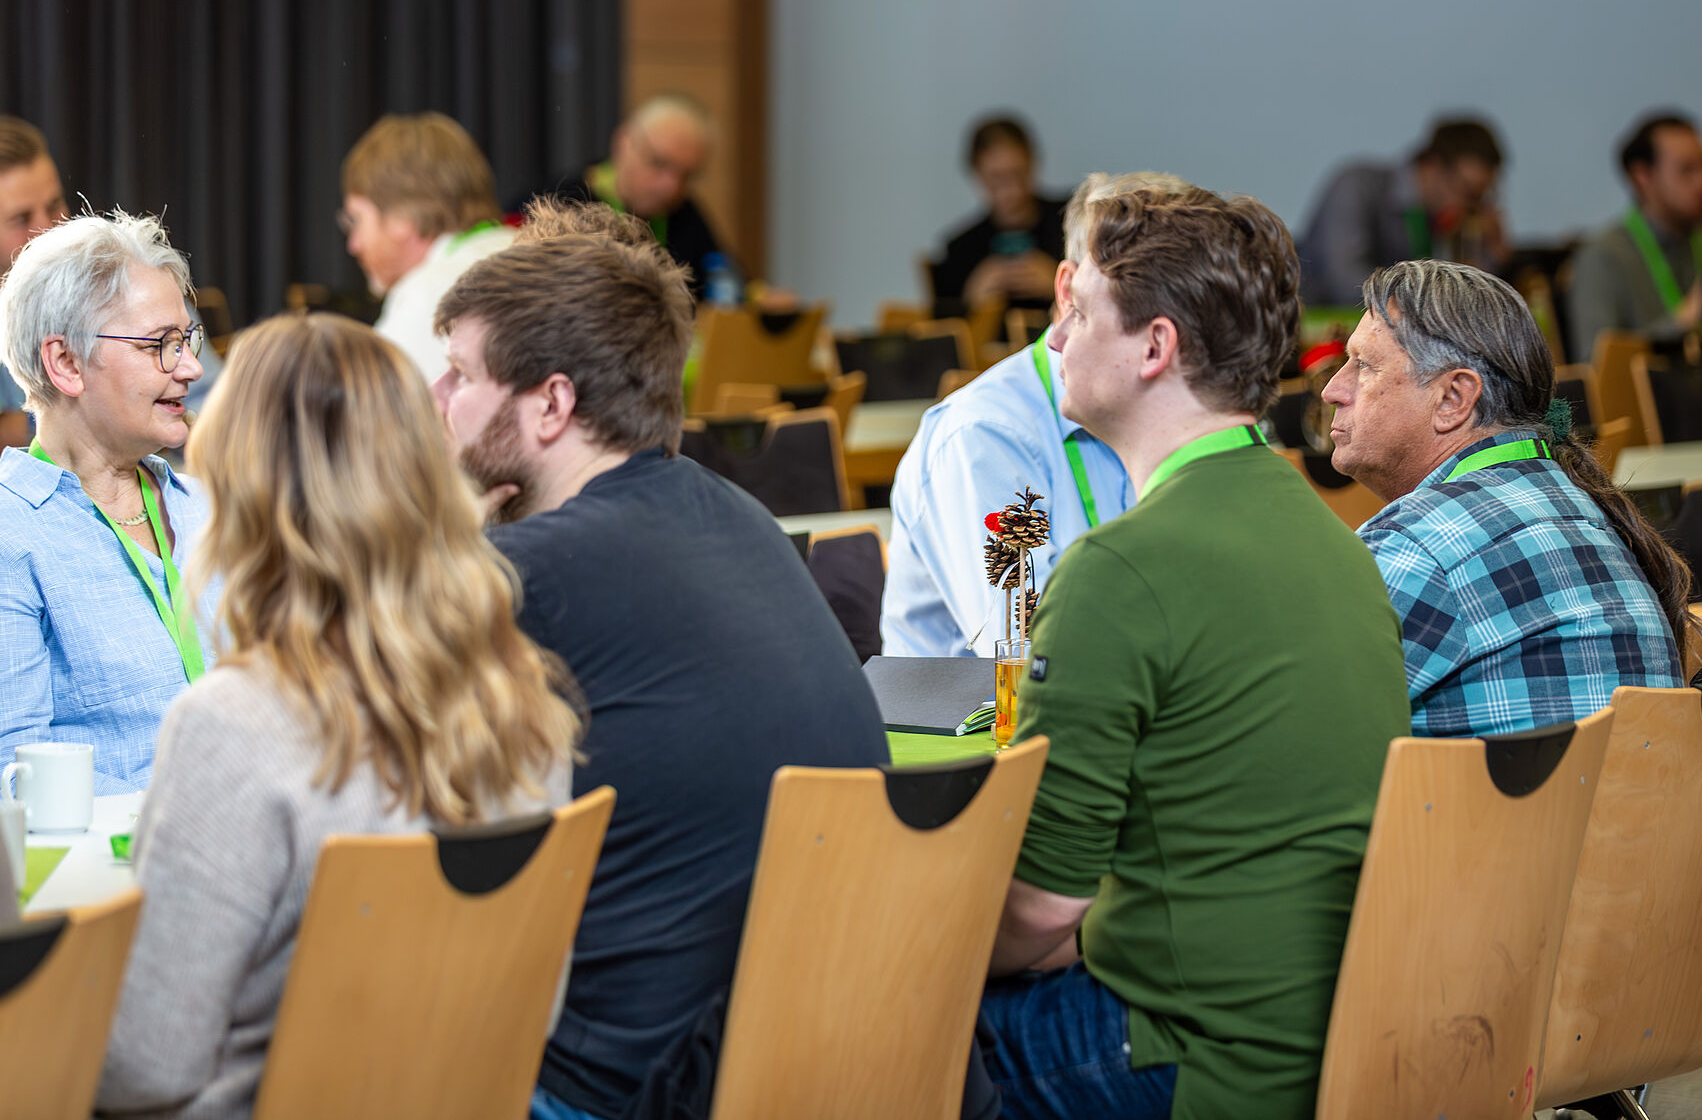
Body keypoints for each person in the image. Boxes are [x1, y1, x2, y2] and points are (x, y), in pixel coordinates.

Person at [430, 224, 889, 1120]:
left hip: (630, 1090)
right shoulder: (737, 513)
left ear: (551, 403)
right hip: (810, 1063)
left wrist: (458, 532)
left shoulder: (527, 575)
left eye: (459, 374)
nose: (436, 399)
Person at [981, 188, 1410, 1119]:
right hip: (1334, 1047)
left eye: (1080, 311)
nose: (1056, 337)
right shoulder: (1336, 539)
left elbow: (1041, 909)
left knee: (887, 1025)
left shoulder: (1117, 572)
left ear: (1154, 347)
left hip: (1193, 1060)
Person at [94, 313, 577, 1120]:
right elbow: (540, 1010)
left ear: (242, 497)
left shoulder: (232, 725)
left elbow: (147, 1067)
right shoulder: (520, 697)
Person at [1323, 260, 1687, 737]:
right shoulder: (1583, 506)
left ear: (1453, 399)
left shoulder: (1419, 545)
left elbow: (1284, 736)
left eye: (1364, 366)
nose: (1333, 390)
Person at [883, 172, 1205, 658]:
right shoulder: (985, 436)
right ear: (1069, 293)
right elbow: (1029, 649)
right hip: (994, 706)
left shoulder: (1170, 404)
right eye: (1150, 295)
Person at [0, 212, 215, 792]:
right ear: (66, 363)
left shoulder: (210, 510)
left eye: (186, 340)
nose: (192, 368)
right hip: (120, 849)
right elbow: (11, 773)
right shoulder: (10, 535)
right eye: (159, 345)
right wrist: (189, 824)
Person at [341, 111, 513, 384]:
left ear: (401, 219)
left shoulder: (429, 295)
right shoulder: (534, 251)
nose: (354, 245)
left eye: (356, 220)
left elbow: (374, 408)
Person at [527, 93, 732, 301]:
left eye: (686, 175)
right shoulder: (554, 201)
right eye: (659, 163)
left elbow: (728, 284)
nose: (671, 187)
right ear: (624, 142)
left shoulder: (686, 215)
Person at [1295, 115, 1509, 306]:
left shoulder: (1435, 216)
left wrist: (1489, 254)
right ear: (1432, 166)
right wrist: (1435, 301)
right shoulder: (1356, 187)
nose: (1472, 207)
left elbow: (1467, 304)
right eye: (1469, 192)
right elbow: (1345, 284)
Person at [1567, 110, 1702, 352]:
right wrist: (1685, 319)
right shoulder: (1603, 258)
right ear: (1642, 176)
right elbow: (1597, 364)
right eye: (1687, 170)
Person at [928, 114, 1069, 314]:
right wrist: (971, 301)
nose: (1011, 189)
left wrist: (1063, 284)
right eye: (997, 178)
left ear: (1031, 162)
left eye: (1018, 173)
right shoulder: (960, 251)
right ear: (977, 173)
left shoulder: (1074, 220)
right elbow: (942, 326)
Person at [0, 116, 74, 446]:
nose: (47, 229)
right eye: (22, 218)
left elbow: (208, 400)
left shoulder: (123, 279)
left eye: (55, 205)